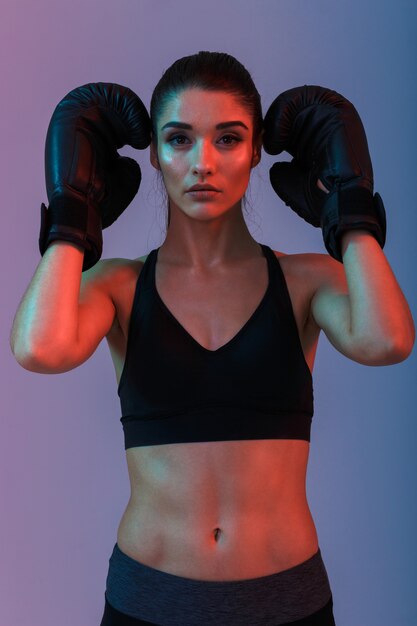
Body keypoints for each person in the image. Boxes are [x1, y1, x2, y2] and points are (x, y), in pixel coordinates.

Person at [10, 51, 415, 626]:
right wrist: (72, 219)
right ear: (153, 154)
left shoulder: (304, 281)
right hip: (148, 602)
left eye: (228, 139)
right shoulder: (119, 286)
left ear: (254, 152)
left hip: (289, 602)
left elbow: (388, 341)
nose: (203, 162)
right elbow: (39, 350)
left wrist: (349, 212)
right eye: (179, 139)